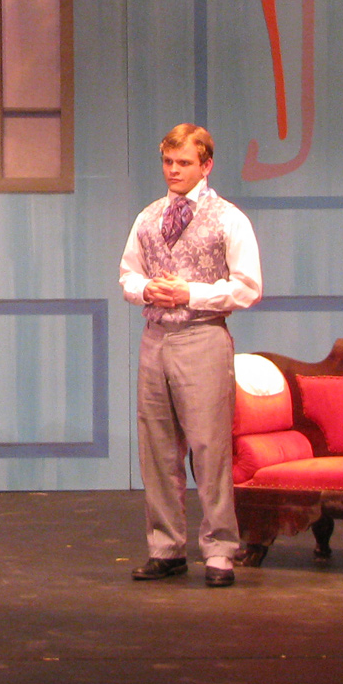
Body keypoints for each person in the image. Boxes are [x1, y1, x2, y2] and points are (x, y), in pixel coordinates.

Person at [119, 123, 263, 587]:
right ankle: (166, 547)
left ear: (206, 165)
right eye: (168, 162)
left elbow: (247, 288)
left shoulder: (228, 218)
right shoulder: (148, 217)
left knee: (209, 447)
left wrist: (190, 293)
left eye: (184, 162)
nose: (174, 170)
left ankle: (220, 550)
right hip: (155, 338)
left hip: (202, 336)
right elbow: (127, 276)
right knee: (157, 447)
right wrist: (147, 289)